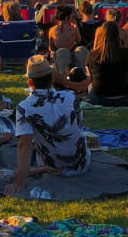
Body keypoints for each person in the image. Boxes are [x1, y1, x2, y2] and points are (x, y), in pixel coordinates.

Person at [6, 54, 89, 192]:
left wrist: (20, 184)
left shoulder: (25, 107)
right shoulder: (71, 96)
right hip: (81, 164)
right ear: (51, 78)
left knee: (28, 144)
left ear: (30, 83)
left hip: (52, 166)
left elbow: (24, 146)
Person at [86, 19, 128, 106]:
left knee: (90, 87)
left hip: (98, 99)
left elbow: (91, 77)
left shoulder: (93, 54)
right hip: (124, 98)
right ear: (118, 35)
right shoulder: (126, 52)